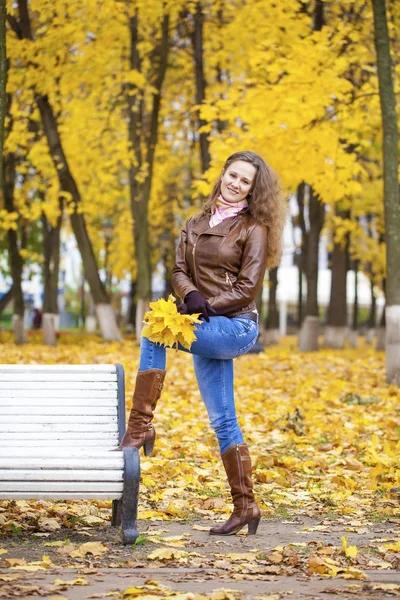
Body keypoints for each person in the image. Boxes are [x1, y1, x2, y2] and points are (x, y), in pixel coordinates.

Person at [120, 150, 287, 535]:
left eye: (245, 181)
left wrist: (206, 304)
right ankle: (246, 506)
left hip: (234, 328)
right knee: (222, 418)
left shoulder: (253, 228)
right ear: (223, 175)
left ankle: (141, 426)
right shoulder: (196, 221)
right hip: (204, 324)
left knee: (154, 329)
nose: (236, 183)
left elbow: (248, 288)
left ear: (252, 189)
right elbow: (178, 268)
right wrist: (189, 293)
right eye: (233, 175)